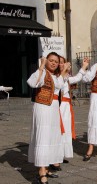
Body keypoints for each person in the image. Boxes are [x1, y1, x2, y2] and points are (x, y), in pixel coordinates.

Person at [27, 52, 70, 184]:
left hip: (53, 108)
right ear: (46, 61)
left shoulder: (55, 75)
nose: (53, 63)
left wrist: (64, 71)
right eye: (51, 60)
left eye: (56, 61)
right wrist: (41, 66)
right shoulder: (43, 72)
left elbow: (60, 85)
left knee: (51, 137)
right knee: (43, 137)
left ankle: (45, 168)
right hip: (43, 108)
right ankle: (41, 171)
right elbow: (33, 83)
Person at [48, 56, 89, 171]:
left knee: (65, 131)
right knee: (57, 131)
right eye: (59, 63)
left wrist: (84, 66)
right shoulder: (54, 77)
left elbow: (77, 78)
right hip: (57, 106)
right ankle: (53, 159)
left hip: (66, 107)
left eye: (62, 62)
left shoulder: (66, 77)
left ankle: (60, 155)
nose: (61, 65)